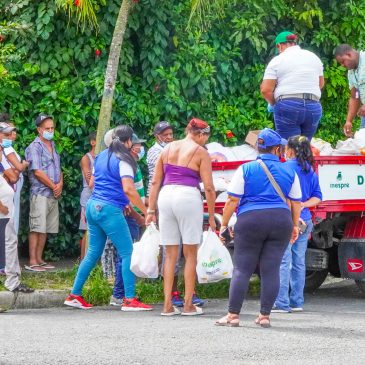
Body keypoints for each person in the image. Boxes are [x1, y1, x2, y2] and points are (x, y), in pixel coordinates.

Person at [215, 128, 301, 328]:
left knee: (242, 269)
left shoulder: (246, 169)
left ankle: (233, 315)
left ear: (258, 147)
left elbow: (232, 200)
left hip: (251, 220)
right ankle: (264, 316)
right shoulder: (289, 170)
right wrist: (294, 225)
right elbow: (295, 202)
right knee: (271, 270)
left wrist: (225, 225)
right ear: (277, 149)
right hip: (281, 220)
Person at [64, 125, 152, 311]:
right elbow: (129, 188)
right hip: (110, 210)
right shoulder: (125, 160)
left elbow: (93, 183)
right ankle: (129, 299)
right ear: (128, 142)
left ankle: (74, 295)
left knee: (92, 252)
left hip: (93, 206)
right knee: (127, 252)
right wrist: (146, 211)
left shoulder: (101, 156)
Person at [146, 118, 216, 316]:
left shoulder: (167, 148)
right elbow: (209, 188)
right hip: (188, 197)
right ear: (200, 134)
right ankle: (187, 305)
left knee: (170, 253)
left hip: (165, 196)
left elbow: (155, 182)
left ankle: (167, 305)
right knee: (190, 253)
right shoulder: (201, 152)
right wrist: (211, 216)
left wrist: (151, 210)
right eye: (206, 137)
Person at [273, 135, 322, 313]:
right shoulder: (309, 169)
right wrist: (303, 205)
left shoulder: (284, 168)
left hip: (288, 219)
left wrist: (295, 209)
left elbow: (283, 196)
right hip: (305, 220)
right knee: (299, 261)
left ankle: (281, 303)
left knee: (283, 261)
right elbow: (317, 197)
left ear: (290, 150)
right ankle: (297, 302)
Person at [261, 31, 324, 141]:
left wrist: (275, 104)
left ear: (279, 46)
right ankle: (304, 157)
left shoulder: (277, 60)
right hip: (313, 107)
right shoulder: (314, 57)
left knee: (290, 147)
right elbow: (320, 84)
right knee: (304, 147)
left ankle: (292, 156)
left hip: (288, 106)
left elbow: (265, 90)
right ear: (294, 43)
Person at [109, 132, 147, 306]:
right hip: (130, 215)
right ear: (130, 146)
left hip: (134, 214)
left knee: (127, 254)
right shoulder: (126, 165)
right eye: (138, 144)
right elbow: (128, 194)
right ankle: (120, 294)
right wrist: (141, 214)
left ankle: (122, 294)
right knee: (126, 255)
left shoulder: (133, 165)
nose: (140, 148)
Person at [25, 113, 63, 272]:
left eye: (52, 128)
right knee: (36, 228)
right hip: (40, 192)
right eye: (47, 128)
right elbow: (37, 172)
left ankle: (40, 259)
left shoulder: (53, 145)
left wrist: (60, 183)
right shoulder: (34, 147)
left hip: (52, 194)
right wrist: (54, 186)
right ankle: (32, 261)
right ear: (39, 130)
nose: (50, 130)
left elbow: (58, 168)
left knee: (45, 228)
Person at [0, 124, 33, 294]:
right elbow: (14, 174)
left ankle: (12, 281)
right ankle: (11, 281)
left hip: (6, 206)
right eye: (5, 134)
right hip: (3, 207)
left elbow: (13, 176)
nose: (8, 137)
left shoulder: (2, 153)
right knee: (8, 241)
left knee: (9, 241)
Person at [0, 114, 29, 235]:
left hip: (11, 195)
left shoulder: (6, 151)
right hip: (5, 200)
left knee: (10, 230)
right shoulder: (6, 150)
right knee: (7, 232)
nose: (11, 135)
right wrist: (21, 167)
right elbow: (12, 177)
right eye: (6, 134)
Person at [334, 44, 365, 137]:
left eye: (343, 61)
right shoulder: (351, 72)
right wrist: (348, 121)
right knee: (362, 143)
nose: (343, 65)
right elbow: (355, 96)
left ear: (349, 54)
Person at [79, 131, 96, 260]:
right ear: (92, 142)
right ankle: (83, 260)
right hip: (88, 198)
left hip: (99, 199)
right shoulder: (86, 158)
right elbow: (89, 179)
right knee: (87, 230)